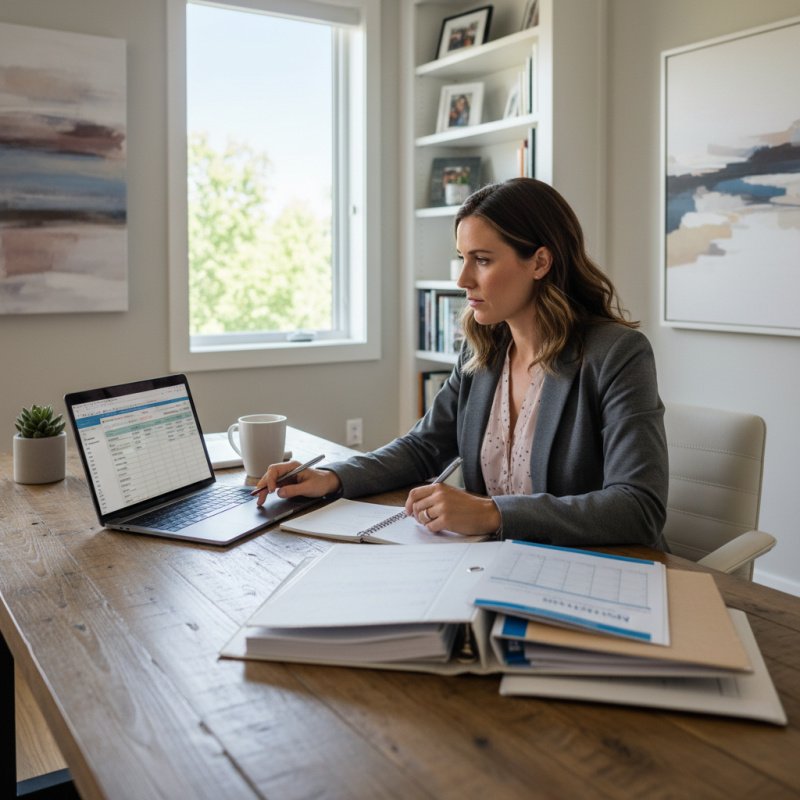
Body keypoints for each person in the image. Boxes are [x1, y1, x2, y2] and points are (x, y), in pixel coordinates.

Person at [254, 178, 669, 550]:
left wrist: (494, 513)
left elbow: (638, 507)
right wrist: (334, 478)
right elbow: (422, 448)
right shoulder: (482, 351)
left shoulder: (617, 354)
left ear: (540, 262)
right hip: (489, 564)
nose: (462, 279)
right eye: (462, 258)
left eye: (483, 260)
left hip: (591, 571)